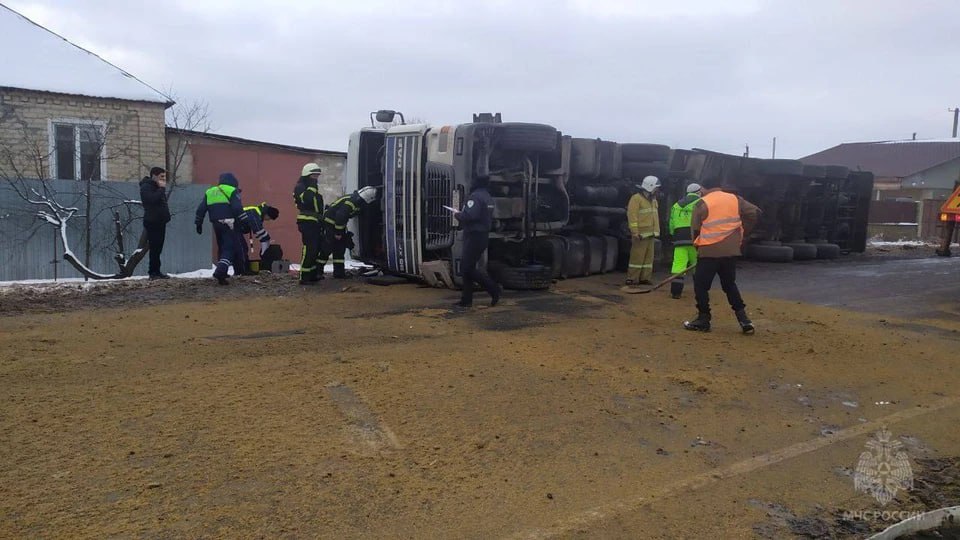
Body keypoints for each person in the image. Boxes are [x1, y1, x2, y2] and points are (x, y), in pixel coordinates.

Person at [683, 176, 761, 334]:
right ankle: (744, 320)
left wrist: (697, 246)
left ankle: (703, 319)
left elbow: (696, 230)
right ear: (720, 186)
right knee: (729, 285)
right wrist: (742, 233)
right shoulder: (735, 199)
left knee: (701, 285)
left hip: (708, 251)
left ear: (703, 188)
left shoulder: (702, 203)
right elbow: (755, 213)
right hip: (730, 251)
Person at [453, 174, 501, 308]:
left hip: (474, 236)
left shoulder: (475, 197)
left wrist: (457, 214)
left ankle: (493, 289)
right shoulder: (488, 197)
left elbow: (469, 216)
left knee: (467, 268)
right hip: (482, 236)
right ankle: (466, 300)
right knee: (468, 268)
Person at [195, 172, 247, 285]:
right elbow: (237, 208)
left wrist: (198, 223)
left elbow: (201, 209)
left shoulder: (210, 191)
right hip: (229, 223)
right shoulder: (232, 190)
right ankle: (221, 271)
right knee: (230, 248)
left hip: (215, 223)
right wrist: (245, 222)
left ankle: (222, 273)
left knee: (222, 247)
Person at [318, 187, 377, 278]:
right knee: (327, 248)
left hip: (336, 225)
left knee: (339, 249)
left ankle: (339, 273)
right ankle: (317, 272)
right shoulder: (352, 202)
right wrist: (338, 233)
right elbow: (341, 216)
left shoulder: (355, 200)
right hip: (330, 224)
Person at [667, 183, 702, 299]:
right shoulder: (701, 203)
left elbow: (671, 223)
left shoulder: (676, 205)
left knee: (678, 267)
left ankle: (676, 293)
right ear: (699, 192)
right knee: (697, 266)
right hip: (695, 239)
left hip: (679, 240)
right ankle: (700, 292)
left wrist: (674, 235)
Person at [626, 175, 661, 286]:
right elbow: (632, 216)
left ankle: (645, 278)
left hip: (650, 233)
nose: (657, 190)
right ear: (650, 187)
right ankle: (632, 278)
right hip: (640, 235)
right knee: (637, 257)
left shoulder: (653, 199)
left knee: (648, 258)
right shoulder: (636, 199)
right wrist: (635, 232)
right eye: (656, 188)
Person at [294, 163, 324, 285]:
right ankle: (304, 276)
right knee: (309, 248)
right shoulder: (301, 186)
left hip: (315, 221)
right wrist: (312, 187)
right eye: (314, 175)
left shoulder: (312, 187)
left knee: (315, 249)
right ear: (307, 175)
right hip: (306, 221)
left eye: (317, 175)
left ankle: (312, 274)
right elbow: (306, 199)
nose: (316, 178)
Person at [139, 166, 171, 279]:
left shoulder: (156, 187)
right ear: (154, 176)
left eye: (164, 177)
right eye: (161, 176)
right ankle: (152, 272)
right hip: (153, 221)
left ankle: (157, 271)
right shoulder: (146, 186)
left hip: (160, 221)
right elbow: (151, 200)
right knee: (154, 248)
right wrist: (161, 189)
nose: (163, 179)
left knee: (158, 248)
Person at [237, 203, 280, 274]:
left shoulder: (256, 212)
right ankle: (242, 270)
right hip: (232, 229)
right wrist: (266, 239)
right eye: (269, 218)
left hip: (234, 228)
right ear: (267, 214)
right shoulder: (255, 213)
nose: (268, 220)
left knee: (242, 248)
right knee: (242, 249)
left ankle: (242, 269)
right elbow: (258, 229)